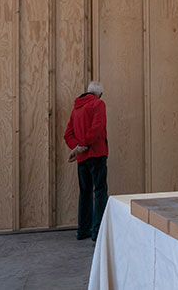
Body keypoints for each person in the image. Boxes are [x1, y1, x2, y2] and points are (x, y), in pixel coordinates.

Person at [64, 81, 108, 242]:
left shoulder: (77, 108)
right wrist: (83, 144)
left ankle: (83, 230)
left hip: (82, 158)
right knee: (100, 192)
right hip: (97, 154)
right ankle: (97, 232)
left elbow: (67, 134)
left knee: (85, 193)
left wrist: (77, 147)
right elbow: (97, 128)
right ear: (100, 94)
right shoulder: (98, 104)